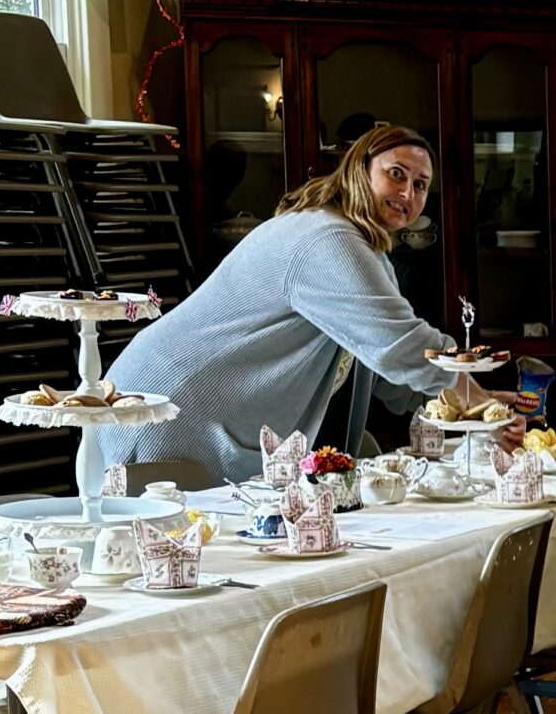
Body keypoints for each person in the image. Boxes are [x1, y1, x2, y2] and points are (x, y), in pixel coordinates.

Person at [95, 123, 527, 489]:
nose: (408, 192)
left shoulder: (361, 245)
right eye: (396, 174)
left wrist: (478, 412)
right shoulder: (329, 238)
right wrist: (475, 393)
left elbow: (388, 374)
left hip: (186, 408)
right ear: (360, 171)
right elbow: (402, 346)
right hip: (170, 409)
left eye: (420, 184)